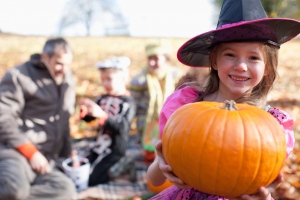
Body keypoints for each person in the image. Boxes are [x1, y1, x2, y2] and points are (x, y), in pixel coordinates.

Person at [146, 0, 300, 199]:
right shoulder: (186, 106)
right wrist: (162, 161)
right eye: (230, 55)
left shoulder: (272, 126)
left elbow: (262, 183)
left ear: (267, 67)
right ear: (214, 61)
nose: (241, 66)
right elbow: (154, 180)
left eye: (253, 58)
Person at [0, 37, 76, 199]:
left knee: (66, 191)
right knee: (14, 189)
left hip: (45, 160)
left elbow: (64, 120)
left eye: (68, 64)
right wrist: (30, 152)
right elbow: (3, 118)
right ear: (45, 58)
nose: (64, 69)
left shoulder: (67, 79)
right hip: (14, 153)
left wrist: (69, 153)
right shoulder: (18, 76)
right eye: (59, 63)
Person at [78, 56, 136, 186]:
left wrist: (102, 115)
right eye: (103, 80)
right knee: (81, 167)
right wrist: (86, 113)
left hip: (116, 149)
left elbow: (123, 128)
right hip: (100, 145)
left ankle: (123, 163)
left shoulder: (128, 103)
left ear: (122, 78)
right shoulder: (102, 98)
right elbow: (91, 118)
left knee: (93, 179)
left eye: (109, 80)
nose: (105, 84)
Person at [129, 39, 183, 162]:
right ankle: (149, 167)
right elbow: (134, 104)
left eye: (157, 58)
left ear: (166, 59)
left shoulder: (176, 76)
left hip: (171, 118)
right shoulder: (140, 80)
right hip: (147, 121)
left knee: (169, 150)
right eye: (150, 58)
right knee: (150, 150)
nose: (153, 62)